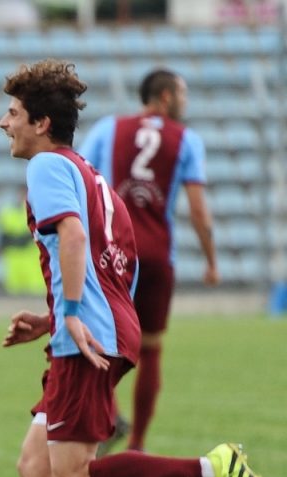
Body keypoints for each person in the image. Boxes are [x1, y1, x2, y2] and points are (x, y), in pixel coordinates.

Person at [0, 60, 272, 477]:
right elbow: (118, 265)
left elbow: (73, 236)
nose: (4, 123)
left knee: (72, 475)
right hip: (105, 327)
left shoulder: (47, 166)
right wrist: (53, 319)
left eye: (14, 113)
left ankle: (213, 468)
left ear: (42, 123)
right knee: (34, 463)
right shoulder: (94, 177)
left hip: (87, 338)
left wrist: (73, 315)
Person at [79, 68, 219, 453]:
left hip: (113, 253)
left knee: (97, 339)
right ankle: (137, 444)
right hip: (157, 255)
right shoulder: (186, 139)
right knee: (151, 348)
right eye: (183, 94)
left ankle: (110, 417)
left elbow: (82, 179)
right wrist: (211, 261)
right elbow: (198, 210)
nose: (185, 102)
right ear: (166, 97)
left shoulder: (109, 129)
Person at [0, 189, 45, 296]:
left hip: (30, 256)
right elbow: (2, 235)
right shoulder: (7, 212)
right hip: (13, 255)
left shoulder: (35, 211)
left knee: (35, 289)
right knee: (14, 290)